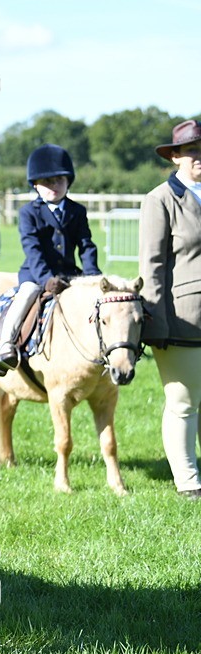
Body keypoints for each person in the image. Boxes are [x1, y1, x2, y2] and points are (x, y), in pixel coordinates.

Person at [0, 144, 100, 371]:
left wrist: (92, 276)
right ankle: (6, 345)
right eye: (47, 181)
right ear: (35, 184)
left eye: (59, 180)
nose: (54, 186)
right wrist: (46, 279)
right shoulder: (28, 213)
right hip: (36, 274)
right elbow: (32, 249)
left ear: (68, 181)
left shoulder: (77, 211)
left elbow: (86, 245)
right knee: (26, 295)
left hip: (70, 274)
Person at [140, 119, 201, 500]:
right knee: (184, 402)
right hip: (182, 319)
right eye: (193, 151)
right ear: (175, 156)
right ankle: (188, 481)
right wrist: (156, 323)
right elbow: (152, 267)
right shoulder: (160, 199)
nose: (200, 158)